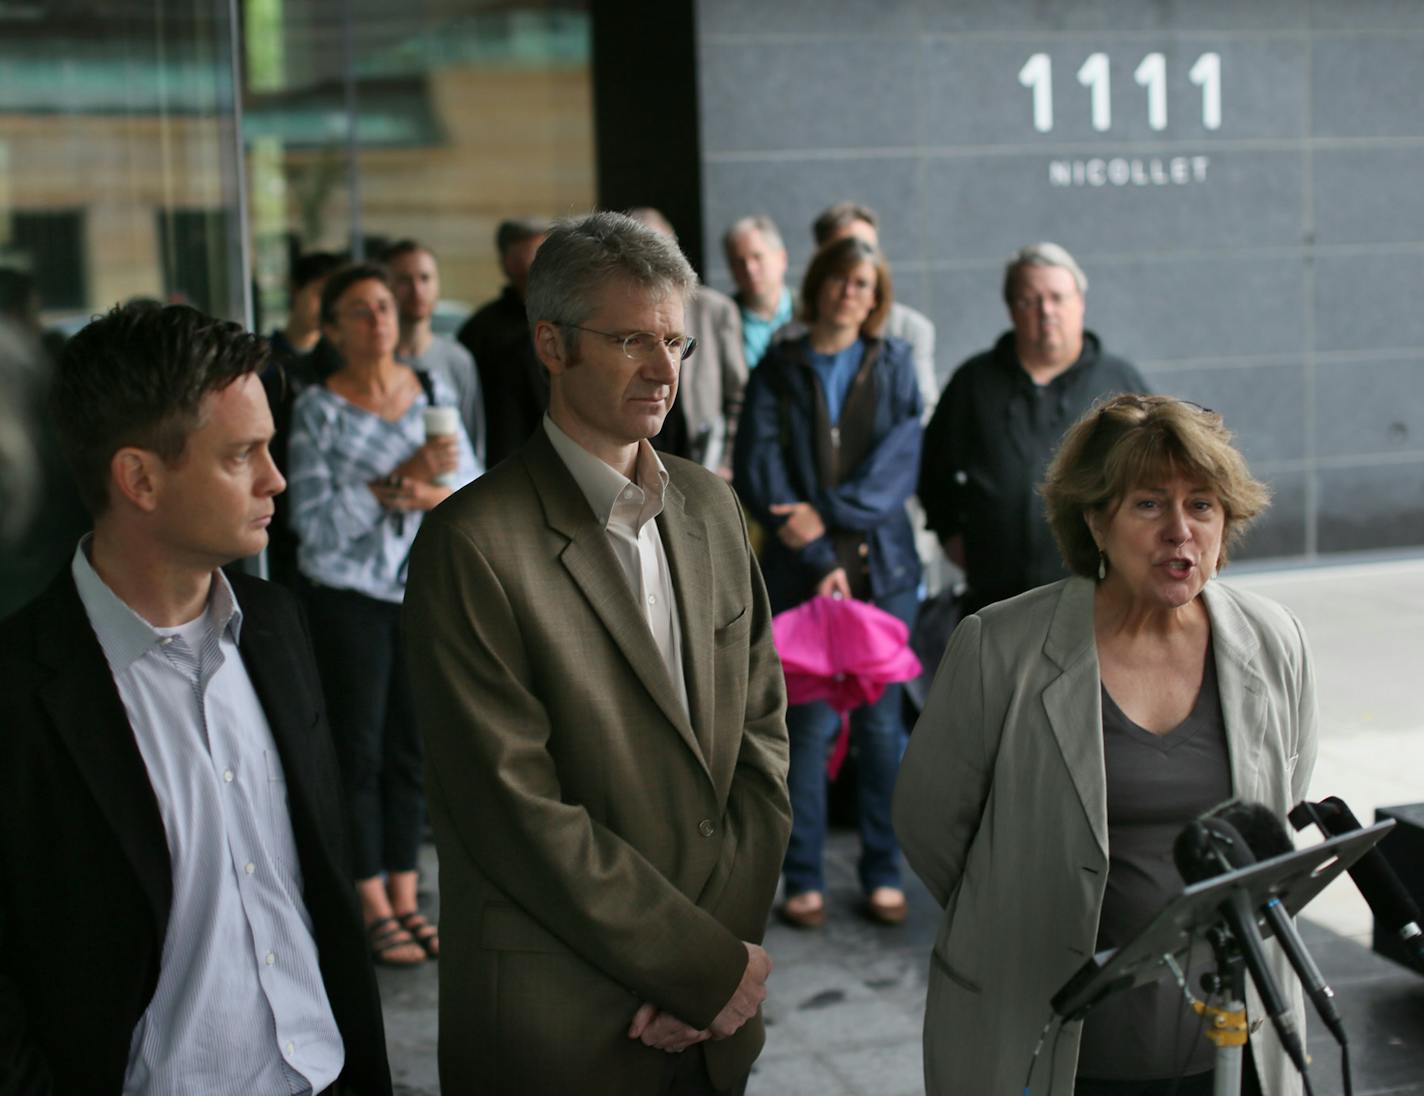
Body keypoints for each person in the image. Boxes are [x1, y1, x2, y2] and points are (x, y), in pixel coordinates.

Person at [403, 211, 790, 1095]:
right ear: (552, 343)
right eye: (630, 341)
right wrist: (699, 967)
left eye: (675, 343)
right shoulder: (471, 544)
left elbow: (763, 744)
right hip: (564, 1023)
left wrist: (713, 973)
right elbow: (516, 811)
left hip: (712, 1017)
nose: (663, 371)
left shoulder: (713, 508)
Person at [0, 301, 392, 1094]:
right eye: (241, 455)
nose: (275, 479)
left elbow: (317, 890)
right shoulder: (17, 690)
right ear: (139, 477)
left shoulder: (280, 628)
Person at [894, 394, 1318, 1096]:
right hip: (1053, 1031)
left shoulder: (1276, 641)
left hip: (1228, 1036)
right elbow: (931, 827)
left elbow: (1280, 807)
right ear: (1095, 520)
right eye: (1150, 505)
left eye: (1203, 505)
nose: (1180, 532)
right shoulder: (1000, 647)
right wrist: (1028, 905)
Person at [287, 262, 480, 968]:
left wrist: (424, 489)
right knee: (359, 754)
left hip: (419, 590)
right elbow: (314, 524)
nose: (379, 320)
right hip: (348, 600)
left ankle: (407, 896)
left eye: (385, 308)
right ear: (334, 329)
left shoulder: (433, 390)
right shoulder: (319, 409)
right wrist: (400, 481)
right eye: (361, 311)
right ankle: (369, 903)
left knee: (413, 750)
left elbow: (467, 488)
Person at [733, 236, 922, 929]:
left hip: (882, 572)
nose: (852, 293)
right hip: (800, 571)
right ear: (819, 285)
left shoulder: (896, 364)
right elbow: (759, 468)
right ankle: (803, 878)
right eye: (842, 280)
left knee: (880, 729)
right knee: (806, 729)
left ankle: (883, 873)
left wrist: (828, 518)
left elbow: (897, 471)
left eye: (865, 284)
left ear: (878, 297)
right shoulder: (779, 367)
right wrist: (816, 553)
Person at [918, 242, 1148, 612]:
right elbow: (932, 467)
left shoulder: (1120, 383)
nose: (1046, 312)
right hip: (996, 596)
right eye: (1030, 301)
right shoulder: (974, 382)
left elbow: (1154, 478)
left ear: (1080, 302)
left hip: (1098, 596)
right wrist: (949, 533)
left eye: (1057, 297)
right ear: (1011, 309)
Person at [628, 206, 748, 476]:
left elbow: (738, 395)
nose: (652, 264)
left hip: (700, 456)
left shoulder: (714, 309)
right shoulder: (616, 315)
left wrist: (726, 461)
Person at [802, 201, 938, 413]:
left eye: (867, 248)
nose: (858, 258)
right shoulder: (790, 338)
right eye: (844, 255)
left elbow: (921, 412)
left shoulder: (908, 332)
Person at [261, 249, 345, 590]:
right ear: (296, 291)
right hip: (277, 499)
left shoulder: (339, 366)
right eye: (318, 293)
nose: (324, 306)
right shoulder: (264, 361)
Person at [381, 238, 486, 464]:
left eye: (425, 278)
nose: (417, 290)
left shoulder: (458, 360)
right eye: (404, 280)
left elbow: (473, 444)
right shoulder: (374, 361)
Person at [456, 216, 550, 467]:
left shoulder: (573, 321)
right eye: (525, 257)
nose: (532, 266)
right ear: (507, 263)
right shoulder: (481, 330)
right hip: (501, 460)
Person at [723, 215, 793, 371]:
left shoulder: (811, 309)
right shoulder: (721, 320)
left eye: (757, 257)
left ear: (782, 258)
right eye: (739, 262)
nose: (749, 269)